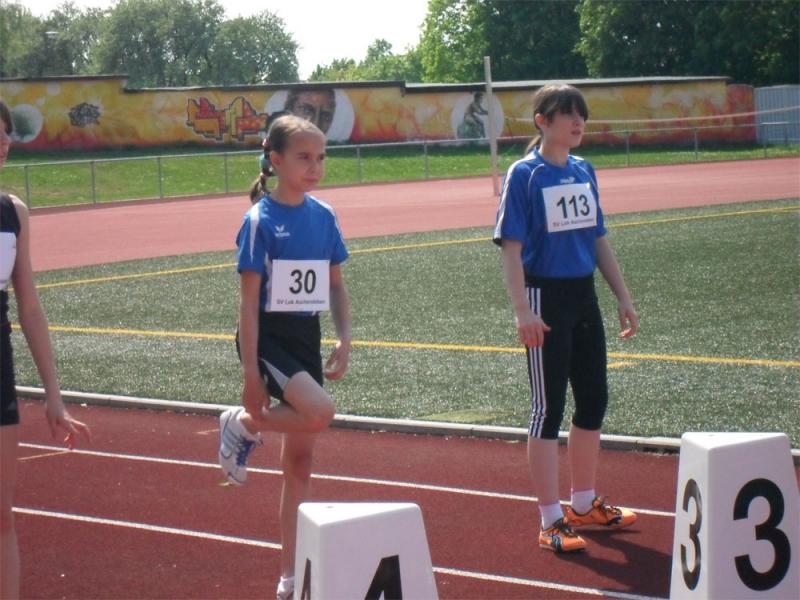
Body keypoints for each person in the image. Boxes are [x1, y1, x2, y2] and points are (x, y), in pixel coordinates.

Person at [493, 84, 639, 554]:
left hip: (583, 295)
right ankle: (550, 519)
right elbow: (511, 248)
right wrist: (522, 310)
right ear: (542, 121)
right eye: (567, 114)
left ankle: (582, 503)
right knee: (548, 408)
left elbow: (598, 238)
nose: (578, 122)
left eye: (582, 115)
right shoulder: (525, 175)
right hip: (544, 298)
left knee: (593, 398)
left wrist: (622, 295)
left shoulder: (583, 170)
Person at [218, 114, 351, 599]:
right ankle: (243, 423)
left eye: (321, 157)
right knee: (320, 412)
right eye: (304, 158)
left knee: (300, 466)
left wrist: (345, 337)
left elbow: (335, 285)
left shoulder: (324, 216)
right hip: (268, 339)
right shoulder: (260, 221)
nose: (315, 167)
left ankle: (290, 576)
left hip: (305, 337)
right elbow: (247, 305)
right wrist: (251, 372)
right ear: (275, 160)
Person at [0, 99, 91, 598]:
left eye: (6, 133)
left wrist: (53, 396)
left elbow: (30, 307)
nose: (3, 143)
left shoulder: (13, 213)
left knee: (2, 517)